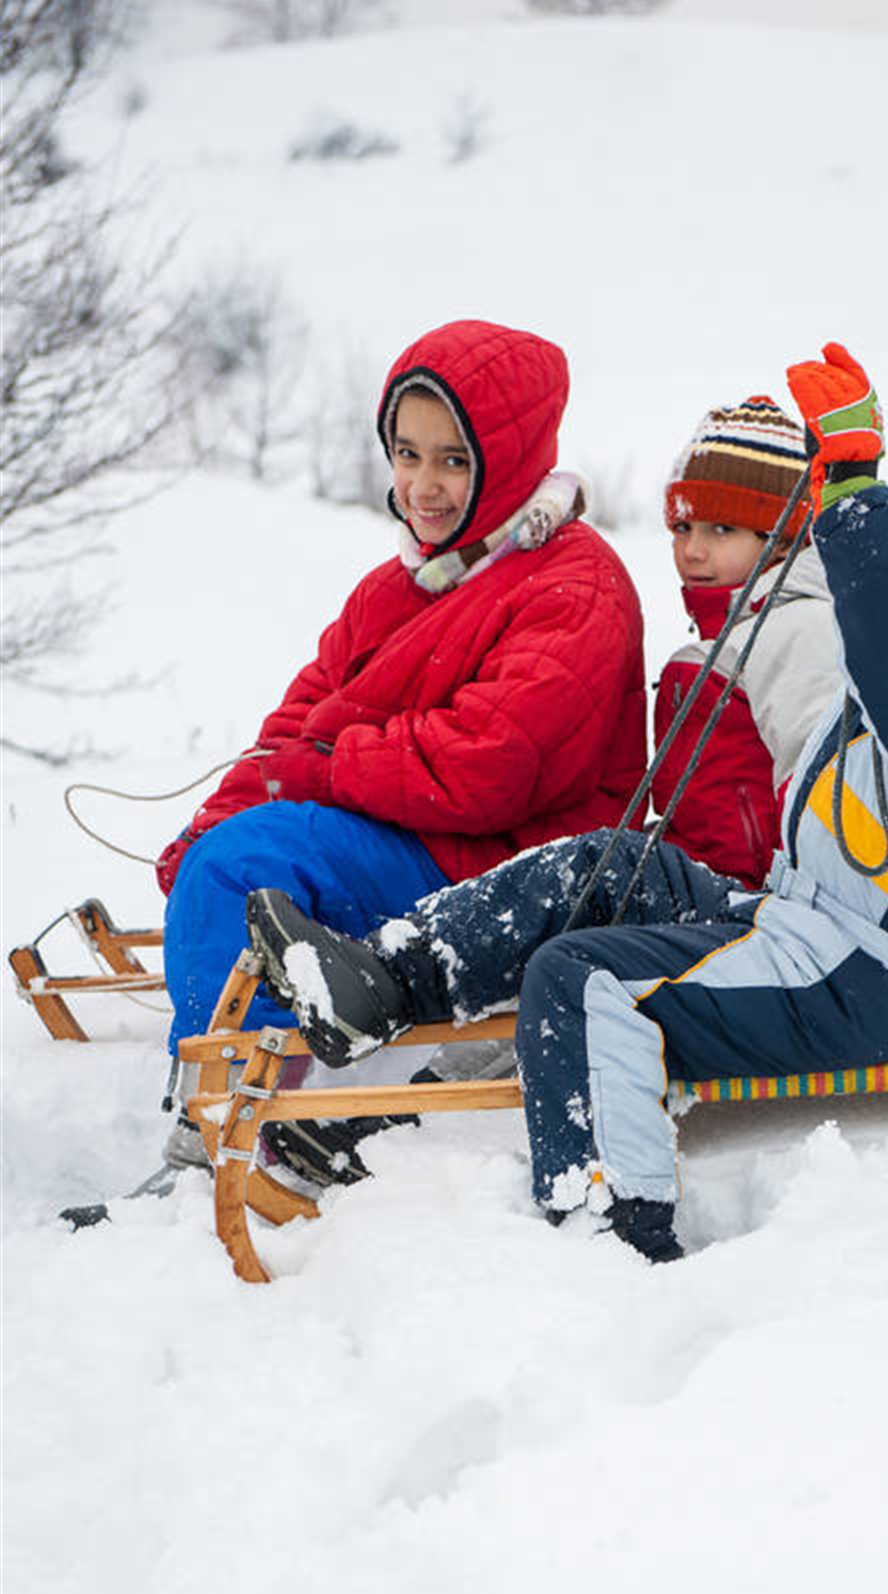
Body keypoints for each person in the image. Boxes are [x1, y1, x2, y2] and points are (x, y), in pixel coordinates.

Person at [242, 331, 888, 1264]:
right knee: (611, 867)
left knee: (583, 982)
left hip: (846, 977)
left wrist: (850, 481)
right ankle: (379, 981)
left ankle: (610, 1222)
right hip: (805, 929)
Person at [156, 317, 646, 1056]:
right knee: (223, 854)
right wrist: (216, 816)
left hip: (514, 867)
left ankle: (234, 1111)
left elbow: (494, 762)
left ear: (510, 462)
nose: (422, 486)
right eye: (407, 454)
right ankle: (249, 1053)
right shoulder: (396, 589)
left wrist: (319, 773)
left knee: (240, 868)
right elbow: (298, 724)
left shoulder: (577, 586)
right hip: (417, 838)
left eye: (453, 460)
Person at [652, 395, 841, 889]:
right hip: (709, 881)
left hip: (758, 902)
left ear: (781, 541)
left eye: (721, 529)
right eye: (682, 526)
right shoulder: (731, 639)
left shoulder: (797, 628)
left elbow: (818, 783)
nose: (692, 551)